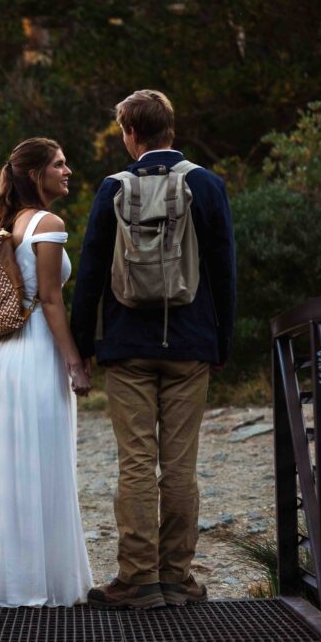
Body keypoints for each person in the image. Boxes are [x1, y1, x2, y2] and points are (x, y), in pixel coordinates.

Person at [71, 90, 236, 609]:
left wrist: (84, 346)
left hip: (126, 346)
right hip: (189, 345)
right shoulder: (206, 185)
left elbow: (92, 273)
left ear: (131, 134)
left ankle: (138, 581)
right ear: (170, 130)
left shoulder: (112, 189)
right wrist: (221, 342)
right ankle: (178, 579)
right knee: (180, 466)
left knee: (136, 464)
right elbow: (224, 271)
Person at [0, 137, 94, 608]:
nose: (68, 170)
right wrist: (75, 363)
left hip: (2, 355)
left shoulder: (12, 222)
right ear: (36, 174)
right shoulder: (49, 223)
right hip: (35, 348)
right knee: (41, 460)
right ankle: (38, 586)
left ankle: (11, 580)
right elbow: (52, 299)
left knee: (12, 464)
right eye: (59, 164)